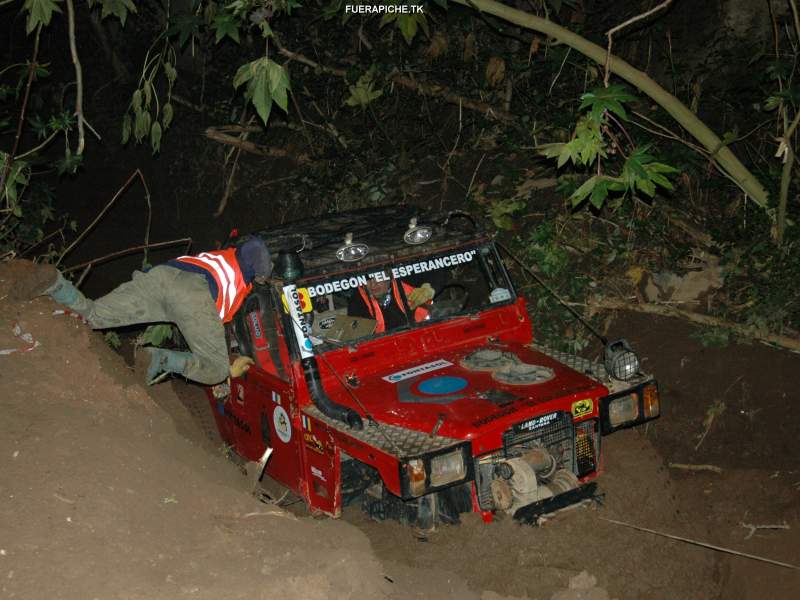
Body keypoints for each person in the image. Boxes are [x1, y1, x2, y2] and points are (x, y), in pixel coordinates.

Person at [12, 238, 272, 385]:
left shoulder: (221, 256)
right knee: (216, 370)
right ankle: (160, 358)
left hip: (162, 277)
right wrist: (225, 360)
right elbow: (213, 320)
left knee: (94, 316)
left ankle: (56, 283)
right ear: (255, 274)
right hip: (195, 296)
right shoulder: (241, 282)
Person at [348, 274, 433, 333]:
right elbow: (361, 338)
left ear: (388, 275)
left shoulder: (405, 280)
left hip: (423, 332)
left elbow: (438, 271)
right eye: (367, 280)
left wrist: (430, 286)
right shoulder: (357, 302)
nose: (373, 284)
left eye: (378, 277)